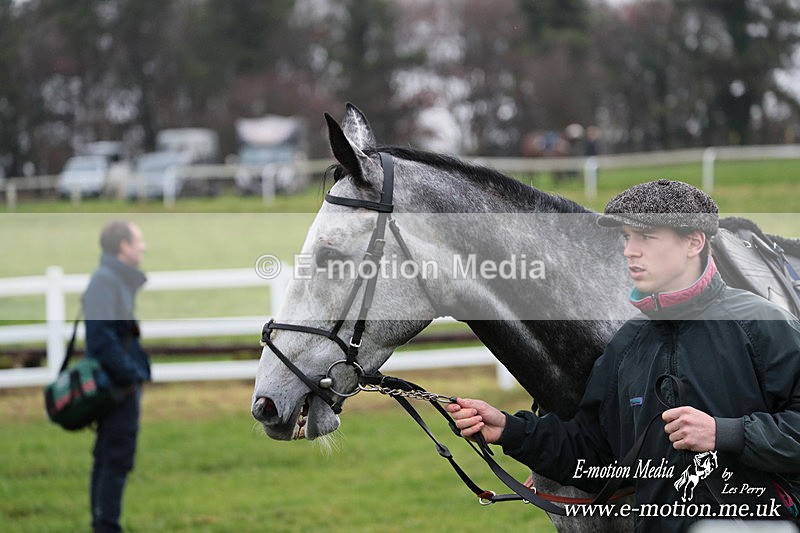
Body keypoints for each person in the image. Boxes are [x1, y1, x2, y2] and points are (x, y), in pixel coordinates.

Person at [447, 179, 800, 531]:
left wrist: (726, 433)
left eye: (645, 237)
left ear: (694, 242)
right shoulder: (628, 345)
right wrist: (510, 430)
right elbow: (595, 452)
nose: (630, 251)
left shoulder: (763, 325)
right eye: (626, 237)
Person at [83, 220, 150, 533]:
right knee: (114, 460)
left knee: (111, 458)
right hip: (116, 390)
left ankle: (104, 524)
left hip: (119, 386)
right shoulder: (105, 281)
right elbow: (100, 338)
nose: (143, 247)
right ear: (123, 246)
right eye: (138, 240)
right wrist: (130, 375)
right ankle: (106, 526)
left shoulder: (113, 280)